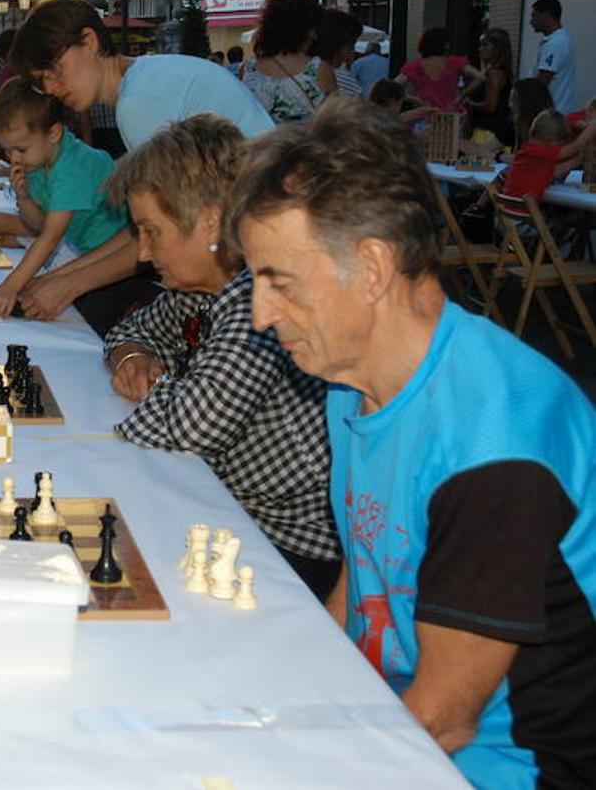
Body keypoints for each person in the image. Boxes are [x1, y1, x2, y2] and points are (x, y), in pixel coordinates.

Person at [231, 96, 595, 787]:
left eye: (277, 282)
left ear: (370, 268)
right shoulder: (352, 381)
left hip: (505, 769)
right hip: (394, 719)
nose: (257, 314)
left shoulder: (493, 451)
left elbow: (443, 720)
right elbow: (365, 576)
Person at [102, 114, 339, 598]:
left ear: (211, 220)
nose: (144, 253)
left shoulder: (258, 298)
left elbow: (191, 427)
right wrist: (131, 357)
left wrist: (165, 385)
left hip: (289, 550)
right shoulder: (198, 289)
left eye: (153, 231)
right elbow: (127, 331)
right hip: (228, 508)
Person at [5, 0, 272, 325]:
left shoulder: (137, 102)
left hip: (258, 247)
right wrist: (58, 280)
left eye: (54, 70)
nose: (51, 87)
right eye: (41, 81)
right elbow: (143, 229)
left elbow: (162, 232)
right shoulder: (145, 77)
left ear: (89, 41)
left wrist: (68, 285)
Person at [0, 77, 126, 322]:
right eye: (8, 150)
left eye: (21, 149)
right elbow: (38, 225)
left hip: (121, 256)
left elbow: (50, 237)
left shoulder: (70, 170)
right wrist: (24, 199)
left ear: (53, 132)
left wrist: (10, 287)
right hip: (86, 250)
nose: (14, 158)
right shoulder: (39, 161)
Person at [241, 0, 335, 123]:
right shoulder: (318, 69)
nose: (316, 36)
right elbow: (336, 121)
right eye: (314, 29)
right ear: (304, 29)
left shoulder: (248, 69)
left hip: (259, 143)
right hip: (304, 143)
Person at [498, 109, 596, 214]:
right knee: (559, 220)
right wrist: (592, 127)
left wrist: (577, 160)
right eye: (560, 145)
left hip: (508, 218)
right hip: (522, 221)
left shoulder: (528, 152)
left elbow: (551, 172)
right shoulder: (540, 151)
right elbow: (576, 146)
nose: (560, 148)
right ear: (552, 141)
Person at [397, 27, 484, 113]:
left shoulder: (413, 67)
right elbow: (481, 77)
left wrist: (416, 100)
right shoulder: (454, 62)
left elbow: (393, 86)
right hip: (451, 114)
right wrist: (461, 97)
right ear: (444, 45)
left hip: (425, 114)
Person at [465, 28, 515, 147]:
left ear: (497, 48)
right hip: (494, 132)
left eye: (485, 45)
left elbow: (491, 106)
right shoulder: (503, 72)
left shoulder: (495, 74)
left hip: (488, 134)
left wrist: (469, 104)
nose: (480, 49)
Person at [529, 0, 575, 112]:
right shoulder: (560, 40)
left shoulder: (556, 43)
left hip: (550, 115)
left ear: (545, 15)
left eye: (534, 16)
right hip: (555, 112)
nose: (531, 22)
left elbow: (541, 82)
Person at [316, 8, 363, 97]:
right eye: (351, 45)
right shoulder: (349, 84)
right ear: (338, 44)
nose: (352, 51)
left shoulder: (303, 72)